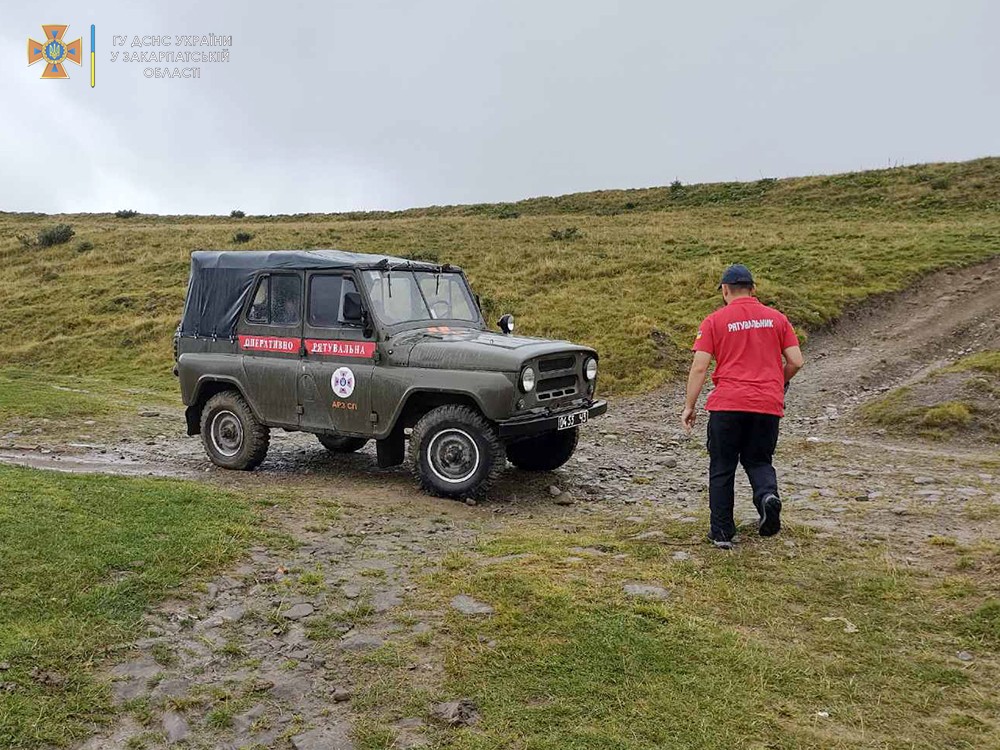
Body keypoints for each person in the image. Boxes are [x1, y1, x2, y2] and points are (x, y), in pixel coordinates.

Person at [680, 264, 804, 549]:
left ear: (725, 290)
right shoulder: (777, 318)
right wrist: (776, 382)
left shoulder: (714, 320)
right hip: (767, 405)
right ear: (754, 289)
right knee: (759, 460)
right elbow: (796, 361)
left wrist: (690, 405)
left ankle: (722, 533)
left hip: (728, 405)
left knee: (722, 466)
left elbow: (700, 367)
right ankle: (766, 498)